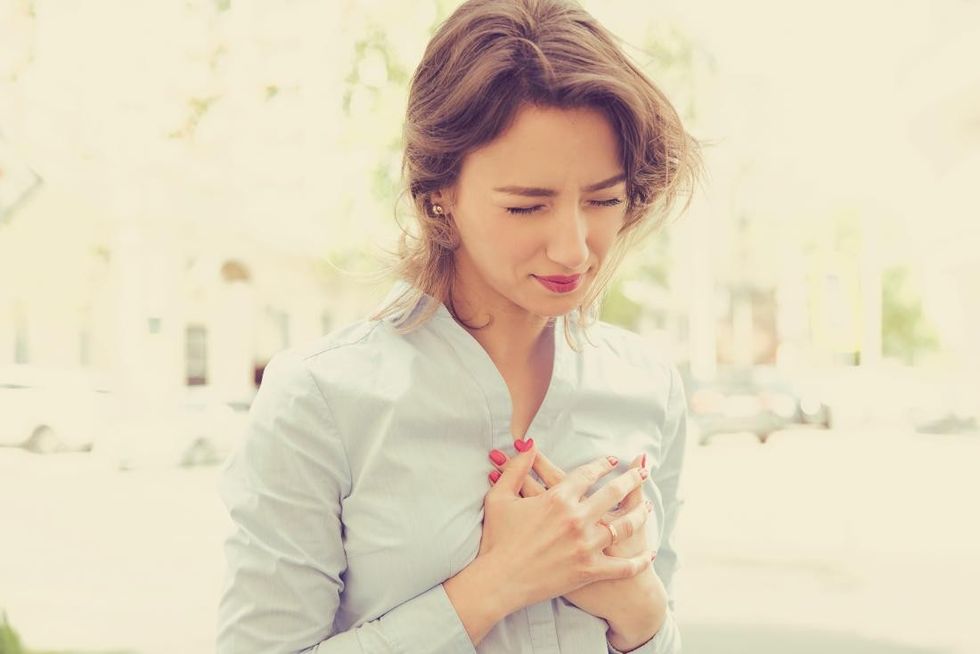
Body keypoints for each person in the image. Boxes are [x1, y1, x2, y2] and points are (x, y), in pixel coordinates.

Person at [215, 0, 701, 652]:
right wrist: (497, 583)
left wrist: (643, 615)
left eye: (603, 200)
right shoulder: (321, 400)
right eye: (528, 206)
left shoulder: (649, 387)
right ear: (438, 194)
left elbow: (657, 625)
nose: (574, 249)